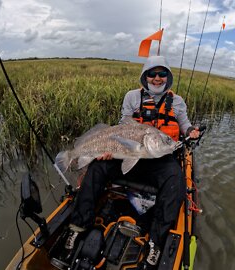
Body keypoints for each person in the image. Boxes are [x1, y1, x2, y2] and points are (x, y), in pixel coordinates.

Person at [64, 55, 200, 269]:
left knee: (177, 181)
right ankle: (78, 227)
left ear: (168, 77)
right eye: (152, 74)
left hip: (159, 159)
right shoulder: (131, 97)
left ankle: (155, 243)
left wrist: (192, 132)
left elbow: (185, 125)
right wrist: (107, 149)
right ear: (145, 76)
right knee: (97, 167)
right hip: (129, 154)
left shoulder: (178, 101)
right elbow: (121, 126)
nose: (157, 78)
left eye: (162, 74)